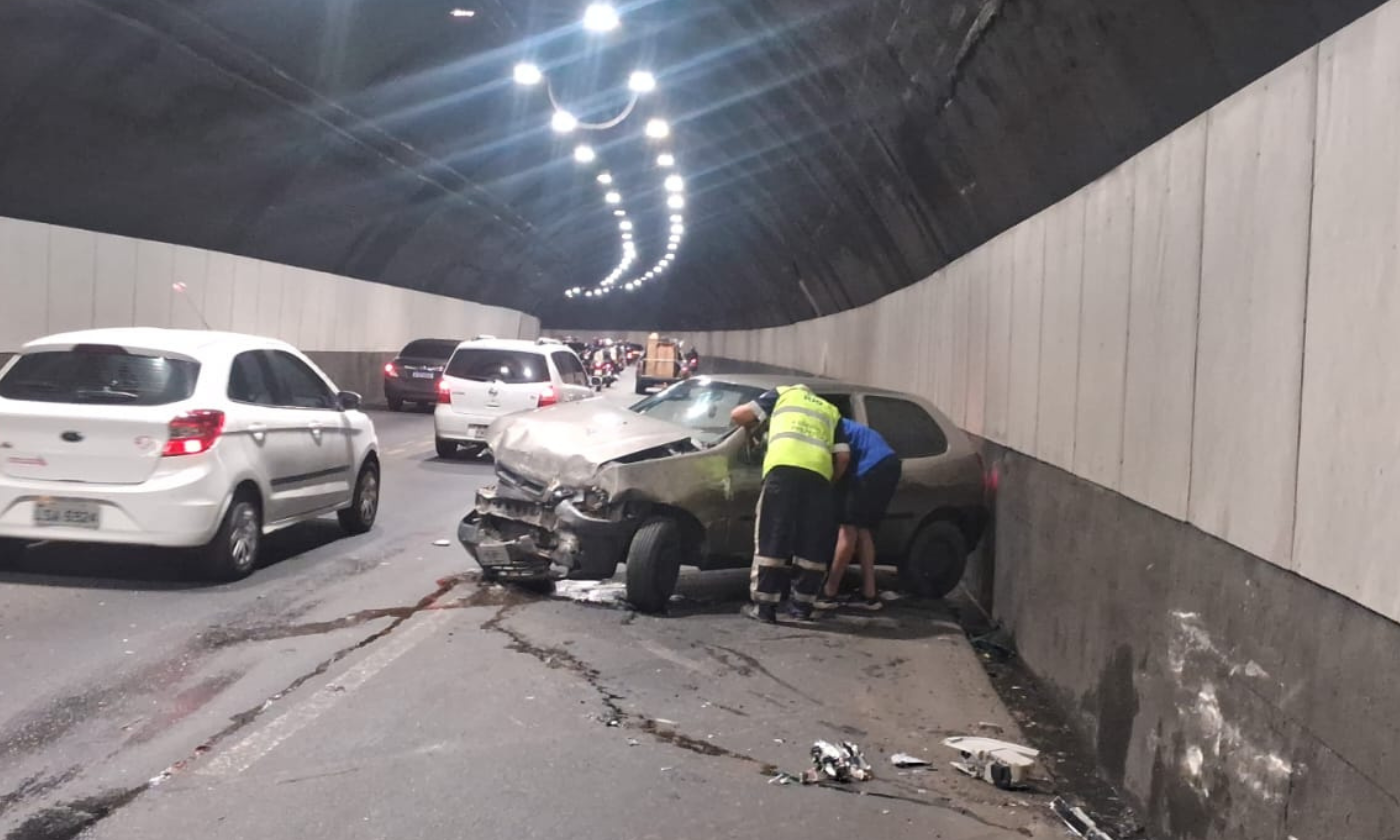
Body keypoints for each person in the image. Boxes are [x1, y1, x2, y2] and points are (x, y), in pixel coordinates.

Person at [731, 384, 849, 623]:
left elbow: (738, 415)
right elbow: (844, 457)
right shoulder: (831, 410)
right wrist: (828, 481)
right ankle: (802, 607)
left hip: (783, 471)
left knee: (773, 535)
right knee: (811, 542)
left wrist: (758, 427)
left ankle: (765, 607)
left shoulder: (783, 393)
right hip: (818, 477)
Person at [816, 419, 901, 612]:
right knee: (863, 530)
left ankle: (830, 592)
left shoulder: (827, 426)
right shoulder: (838, 421)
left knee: (848, 529)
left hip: (868, 467)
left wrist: (832, 483)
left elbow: (842, 459)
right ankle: (869, 595)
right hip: (888, 462)